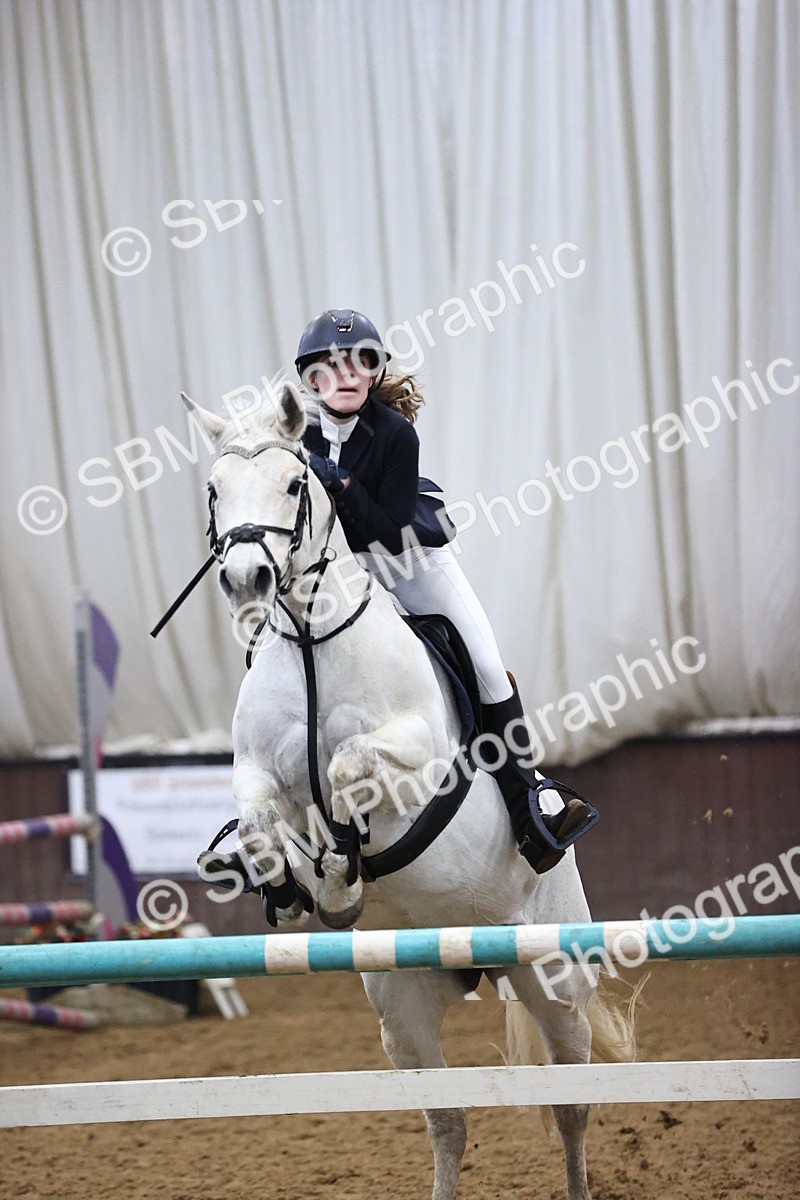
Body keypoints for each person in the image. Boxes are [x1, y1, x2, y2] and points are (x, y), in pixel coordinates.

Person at [296, 308, 595, 873]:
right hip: (341, 582)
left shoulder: (394, 435)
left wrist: (339, 481)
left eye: (360, 363)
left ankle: (529, 803)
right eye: (331, 367)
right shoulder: (299, 435)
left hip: (412, 567)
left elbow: (385, 532)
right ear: (311, 379)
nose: (347, 375)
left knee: (484, 662)